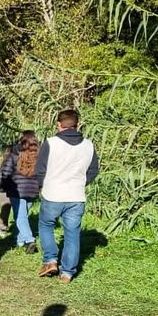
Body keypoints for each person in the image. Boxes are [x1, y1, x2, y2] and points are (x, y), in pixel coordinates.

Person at [37, 109, 99, 283]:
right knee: (72, 234)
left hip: (53, 194)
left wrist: (41, 185)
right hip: (76, 196)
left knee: (46, 225)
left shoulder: (51, 143)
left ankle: (50, 260)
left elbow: (40, 169)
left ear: (59, 124)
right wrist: (80, 182)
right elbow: (94, 170)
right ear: (78, 124)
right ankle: (67, 273)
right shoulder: (89, 145)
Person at [0, 130, 41, 253]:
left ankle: (29, 240)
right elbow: (42, 174)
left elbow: (5, 172)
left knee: (20, 216)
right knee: (23, 216)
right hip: (33, 191)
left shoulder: (14, 155)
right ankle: (20, 241)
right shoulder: (38, 157)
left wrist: (1, 185)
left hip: (17, 190)